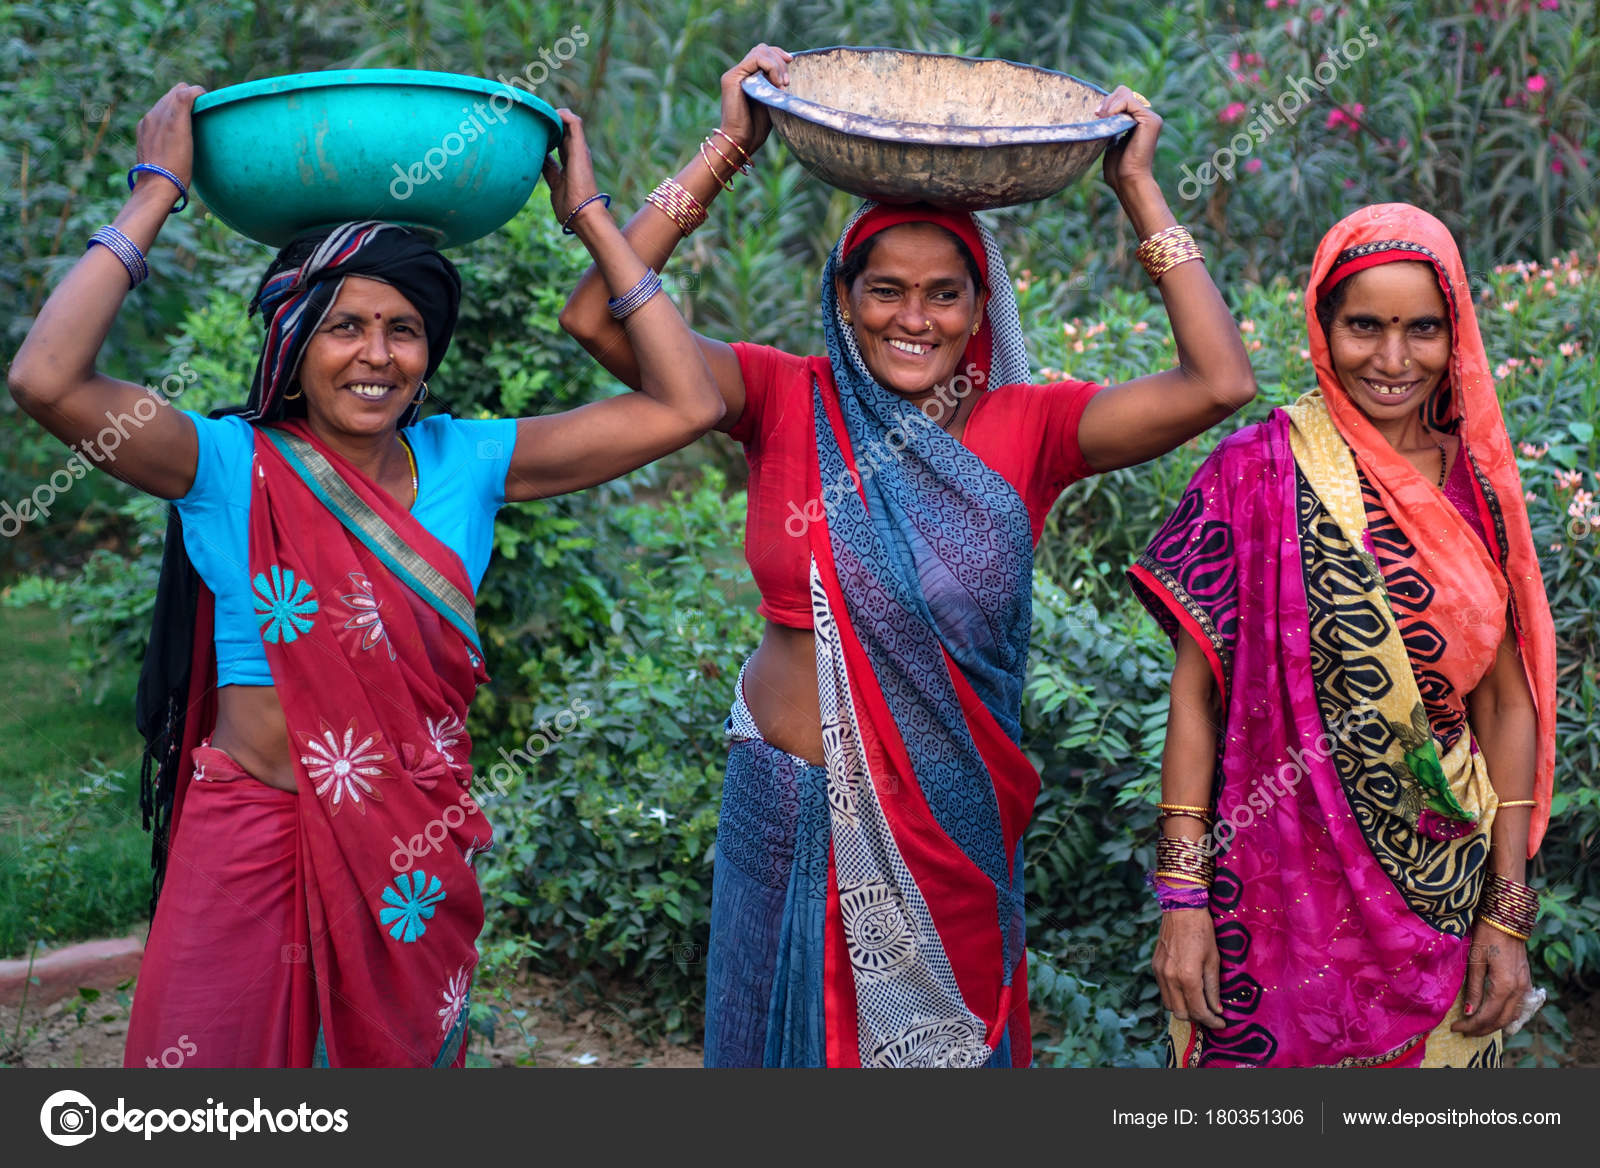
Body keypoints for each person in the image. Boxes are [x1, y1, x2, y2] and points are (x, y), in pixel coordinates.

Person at [560, 46, 1257, 1067]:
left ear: (980, 310)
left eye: (942, 295)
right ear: (844, 301)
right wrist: (725, 148)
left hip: (944, 832)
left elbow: (1219, 382)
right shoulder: (777, 395)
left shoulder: (1034, 428)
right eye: (884, 290)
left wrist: (1137, 186)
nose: (912, 319)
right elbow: (597, 317)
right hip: (780, 810)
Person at [6, 84, 724, 1067]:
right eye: (344, 326)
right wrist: (155, 192)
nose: (376, 356)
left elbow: (684, 403)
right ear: (293, 343)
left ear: (429, 349)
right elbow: (45, 381)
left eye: (403, 328)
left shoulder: (467, 462)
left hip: (405, 850)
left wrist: (586, 214)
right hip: (250, 831)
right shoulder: (226, 466)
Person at [1128, 203, 1556, 1067]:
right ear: (1323, 328)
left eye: (1422, 331)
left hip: (1442, 890)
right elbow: (1197, 697)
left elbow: (1508, 705)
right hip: (1267, 900)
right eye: (1365, 326)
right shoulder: (1253, 473)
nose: (1394, 361)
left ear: (1454, 336)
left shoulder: (1479, 494)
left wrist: (1506, 911)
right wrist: (1182, 898)